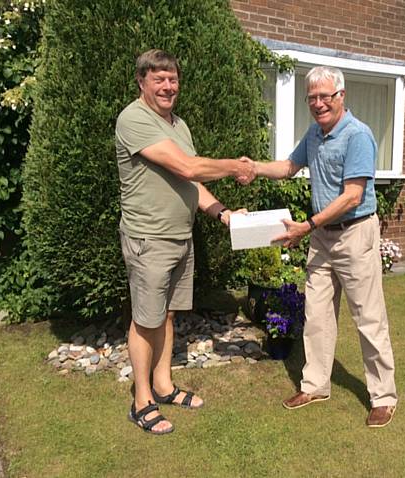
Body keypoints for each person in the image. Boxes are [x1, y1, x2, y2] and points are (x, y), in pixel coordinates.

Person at [115, 49, 255, 435]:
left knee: (169, 314)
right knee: (146, 320)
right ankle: (141, 400)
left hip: (180, 236)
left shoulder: (179, 125)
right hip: (149, 237)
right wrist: (236, 167)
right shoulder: (133, 119)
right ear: (141, 82)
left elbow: (191, 182)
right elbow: (188, 166)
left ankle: (163, 385)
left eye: (172, 79)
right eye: (158, 79)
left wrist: (223, 213)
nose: (167, 86)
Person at [254, 66, 398, 428]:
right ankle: (315, 385)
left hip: (354, 233)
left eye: (325, 96)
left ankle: (383, 397)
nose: (318, 104)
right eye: (312, 98)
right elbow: (289, 166)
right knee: (316, 315)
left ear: (341, 96)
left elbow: (353, 196)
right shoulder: (315, 134)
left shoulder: (358, 136)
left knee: (369, 318)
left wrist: (308, 226)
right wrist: (253, 167)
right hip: (321, 236)